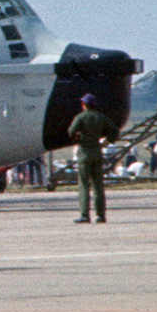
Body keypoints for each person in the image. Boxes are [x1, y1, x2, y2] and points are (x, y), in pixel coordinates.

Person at [68, 94, 119, 224]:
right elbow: (114, 130)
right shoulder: (100, 117)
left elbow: (71, 131)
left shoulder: (81, 117)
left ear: (83, 104)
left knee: (84, 185)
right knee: (98, 186)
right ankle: (101, 215)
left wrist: (78, 136)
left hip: (85, 153)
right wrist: (106, 142)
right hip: (97, 152)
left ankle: (85, 215)